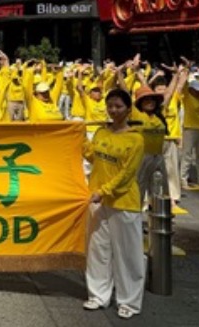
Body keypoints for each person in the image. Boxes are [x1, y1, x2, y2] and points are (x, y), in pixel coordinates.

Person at [82, 88, 145, 319]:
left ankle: (129, 301)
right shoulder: (100, 132)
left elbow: (128, 174)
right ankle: (98, 295)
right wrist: (79, 137)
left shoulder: (136, 139)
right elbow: (92, 157)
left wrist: (105, 191)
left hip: (123, 201)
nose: (113, 110)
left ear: (128, 109)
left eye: (118, 106)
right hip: (97, 200)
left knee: (127, 254)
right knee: (97, 250)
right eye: (110, 106)